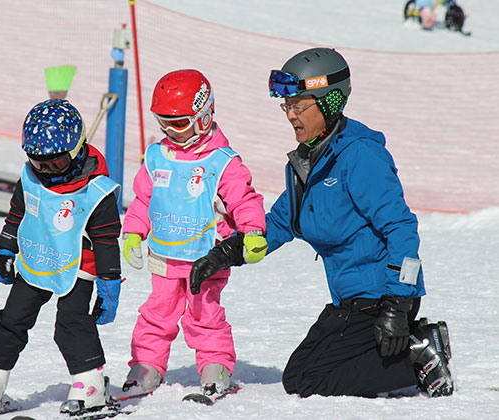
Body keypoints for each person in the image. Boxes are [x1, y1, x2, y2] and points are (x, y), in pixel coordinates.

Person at [189, 47, 454, 398]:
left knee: (305, 381)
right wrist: (226, 253)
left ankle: (418, 355)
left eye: (299, 105)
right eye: (287, 106)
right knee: (302, 371)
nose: (290, 115)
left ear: (329, 102)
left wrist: (398, 303)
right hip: (350, 300)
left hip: (380, 298)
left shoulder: (360, 157)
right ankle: (413, 348)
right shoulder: (307, 162)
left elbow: (401, 229)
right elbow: (281, 223)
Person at [120, 69, 268, 399]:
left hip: (206, 255)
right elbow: (145, 199)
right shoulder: (157, 156)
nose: (170, 131)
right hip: (165, 253)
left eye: (179, 123)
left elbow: (243, 199)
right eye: (163, 123)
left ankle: (215, 365)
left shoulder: (222, 161)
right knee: (157, 313)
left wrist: (253, 231)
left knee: (205, 314)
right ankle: (145, 365)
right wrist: (133, 233)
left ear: (204, 116)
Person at [0, 99, 123, 417]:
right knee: (11, 319)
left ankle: (90, 387)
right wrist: (6, 249)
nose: (48, 172)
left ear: (78, 151)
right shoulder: (30, 180)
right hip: (37, 259)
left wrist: (109, 282)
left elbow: (107, 240)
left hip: (78, 265)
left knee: (70, 323)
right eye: (40, 164)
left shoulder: (98, 191)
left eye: (57, 164)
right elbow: (17, 215)